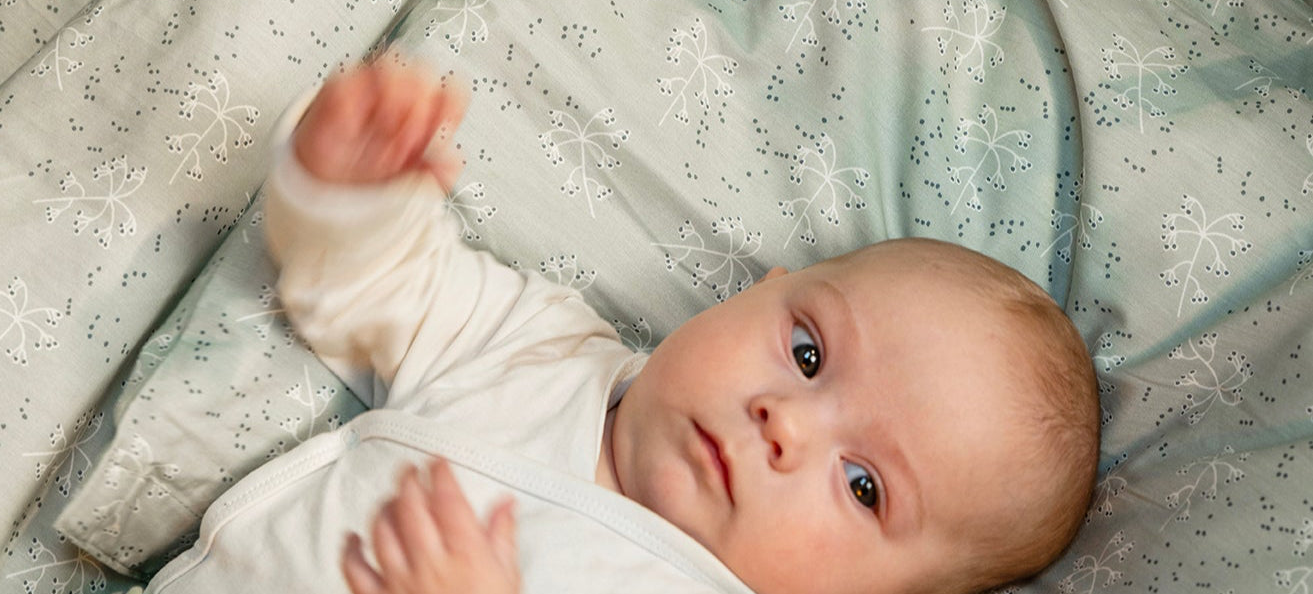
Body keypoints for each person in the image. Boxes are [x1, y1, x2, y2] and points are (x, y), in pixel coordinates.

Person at [144, 55, 1101, 594]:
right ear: (757, 290)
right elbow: (375, 286)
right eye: (806, 352)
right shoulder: (542, 352)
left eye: (862, 487)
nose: (785, 423)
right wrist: (345, 189)